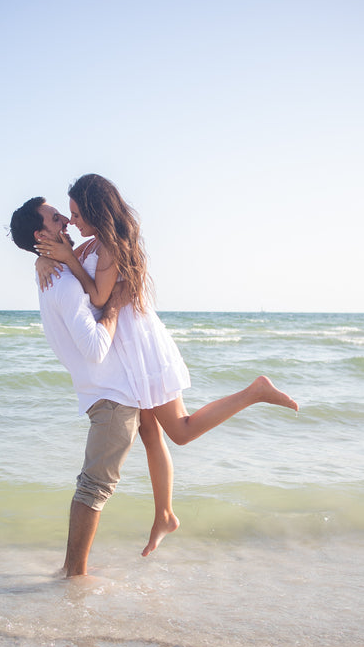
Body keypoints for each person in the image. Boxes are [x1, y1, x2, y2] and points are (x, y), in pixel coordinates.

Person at [34, 174, 299, 556]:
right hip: (123, 349)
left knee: (180, 431)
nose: (72, 221)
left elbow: (98, 294)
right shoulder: (93, 242)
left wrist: (67, 258)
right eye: (67, 214)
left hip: (139, 345)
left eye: (75, 213)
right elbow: (74, 275)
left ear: (95, 211)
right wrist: (46, 261)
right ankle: (164, 515)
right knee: (148, 431)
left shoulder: (107, 246)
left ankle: (254, 392)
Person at [9, 196, 142, 577]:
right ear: (41, 233)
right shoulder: (63, 284)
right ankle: (74, 575)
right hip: (112, 395)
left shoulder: (55, 272)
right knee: (93, 488)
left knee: (95, 483)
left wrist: (43, 257)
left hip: (104, 392)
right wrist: (114, 305)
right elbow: (97, 348)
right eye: (55, 217)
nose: (66, 219)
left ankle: (72, 569)